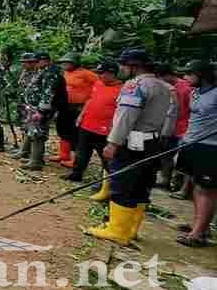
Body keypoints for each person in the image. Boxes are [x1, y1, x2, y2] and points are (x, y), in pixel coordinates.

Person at [86, 49, 172, 246]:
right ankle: (130, 229)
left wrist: (113, 143)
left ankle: (117, 230)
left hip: (133, 142)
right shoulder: (164, 86)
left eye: (124, 65)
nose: (122, 69)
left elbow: (126, 117)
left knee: (123, 183)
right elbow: (169, 117)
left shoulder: (135, 86)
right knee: (142, 184)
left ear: (134, 66)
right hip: (153, 141)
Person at [175, 60, 217, 247]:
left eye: (189, 74)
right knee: (195, 186)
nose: (185, 77)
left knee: (206, 190)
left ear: (202, 75)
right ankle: (200, 225)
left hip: (210, 147)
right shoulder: (195, 92)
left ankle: (198, 235)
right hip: (192, 142)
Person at [65, 60, 122, 186]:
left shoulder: (121, 90)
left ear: (112, 73)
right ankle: (76, 174)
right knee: (81, 152)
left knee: (106, 157)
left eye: (102, 73)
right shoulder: (98, 83)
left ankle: (109, 183)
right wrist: (81, 115)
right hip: (87, 125)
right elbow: (90, 99)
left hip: (105, 129)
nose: (99, 76)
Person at [52, 53, 98, 169]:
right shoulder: (64, 73)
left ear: (75, 63)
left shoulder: (86, 74)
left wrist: (91, 99)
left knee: (76, 133)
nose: (64, 65)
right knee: (63, 130)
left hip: (79, 108)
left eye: (67, 62)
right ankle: (64, 155)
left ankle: (76, 160)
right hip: (65, 106)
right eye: (63, 63)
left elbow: (100, 84)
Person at [24, 51, 68, 171]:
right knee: (34, 131)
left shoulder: (51, 73)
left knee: (38, 133)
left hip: (44, 109)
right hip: (36, 107)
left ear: (45, 60)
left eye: (37, 61)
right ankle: (35, 158)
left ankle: (36, 161)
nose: (35, 64)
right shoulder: (44, 71)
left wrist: (41, 111)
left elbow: (48, 94)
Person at [155, 63, 192, 192]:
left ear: (167, 75)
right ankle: (165, 180)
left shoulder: (186, 88)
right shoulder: (166, 87)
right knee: (165, 155)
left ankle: (179, 186)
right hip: (169, 127)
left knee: (183, 160)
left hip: (184, 128)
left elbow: (192, 109)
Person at [9, 52, 40, 161]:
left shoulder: (38, 74)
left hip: (32, 105)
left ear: (32, 63)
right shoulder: (25, 72)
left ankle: (29, 152)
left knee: (32, 129)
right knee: (24, 127)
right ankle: (24, 150)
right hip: (22, 103)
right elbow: (20, 86)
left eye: (26, 63)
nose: (24, 65)